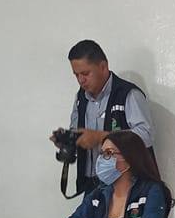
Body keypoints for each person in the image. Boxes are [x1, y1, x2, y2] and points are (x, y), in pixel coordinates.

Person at [51, 40, 153, 195]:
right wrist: (68, 140)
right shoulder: (81, 98)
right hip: (90, 185)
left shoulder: (128, 94)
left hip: (126, 186)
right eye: (76, 75)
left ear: (103, 67)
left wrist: (102, 137)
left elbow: (146, 135)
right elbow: (79, 133)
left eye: (85, 73)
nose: (80, 80)